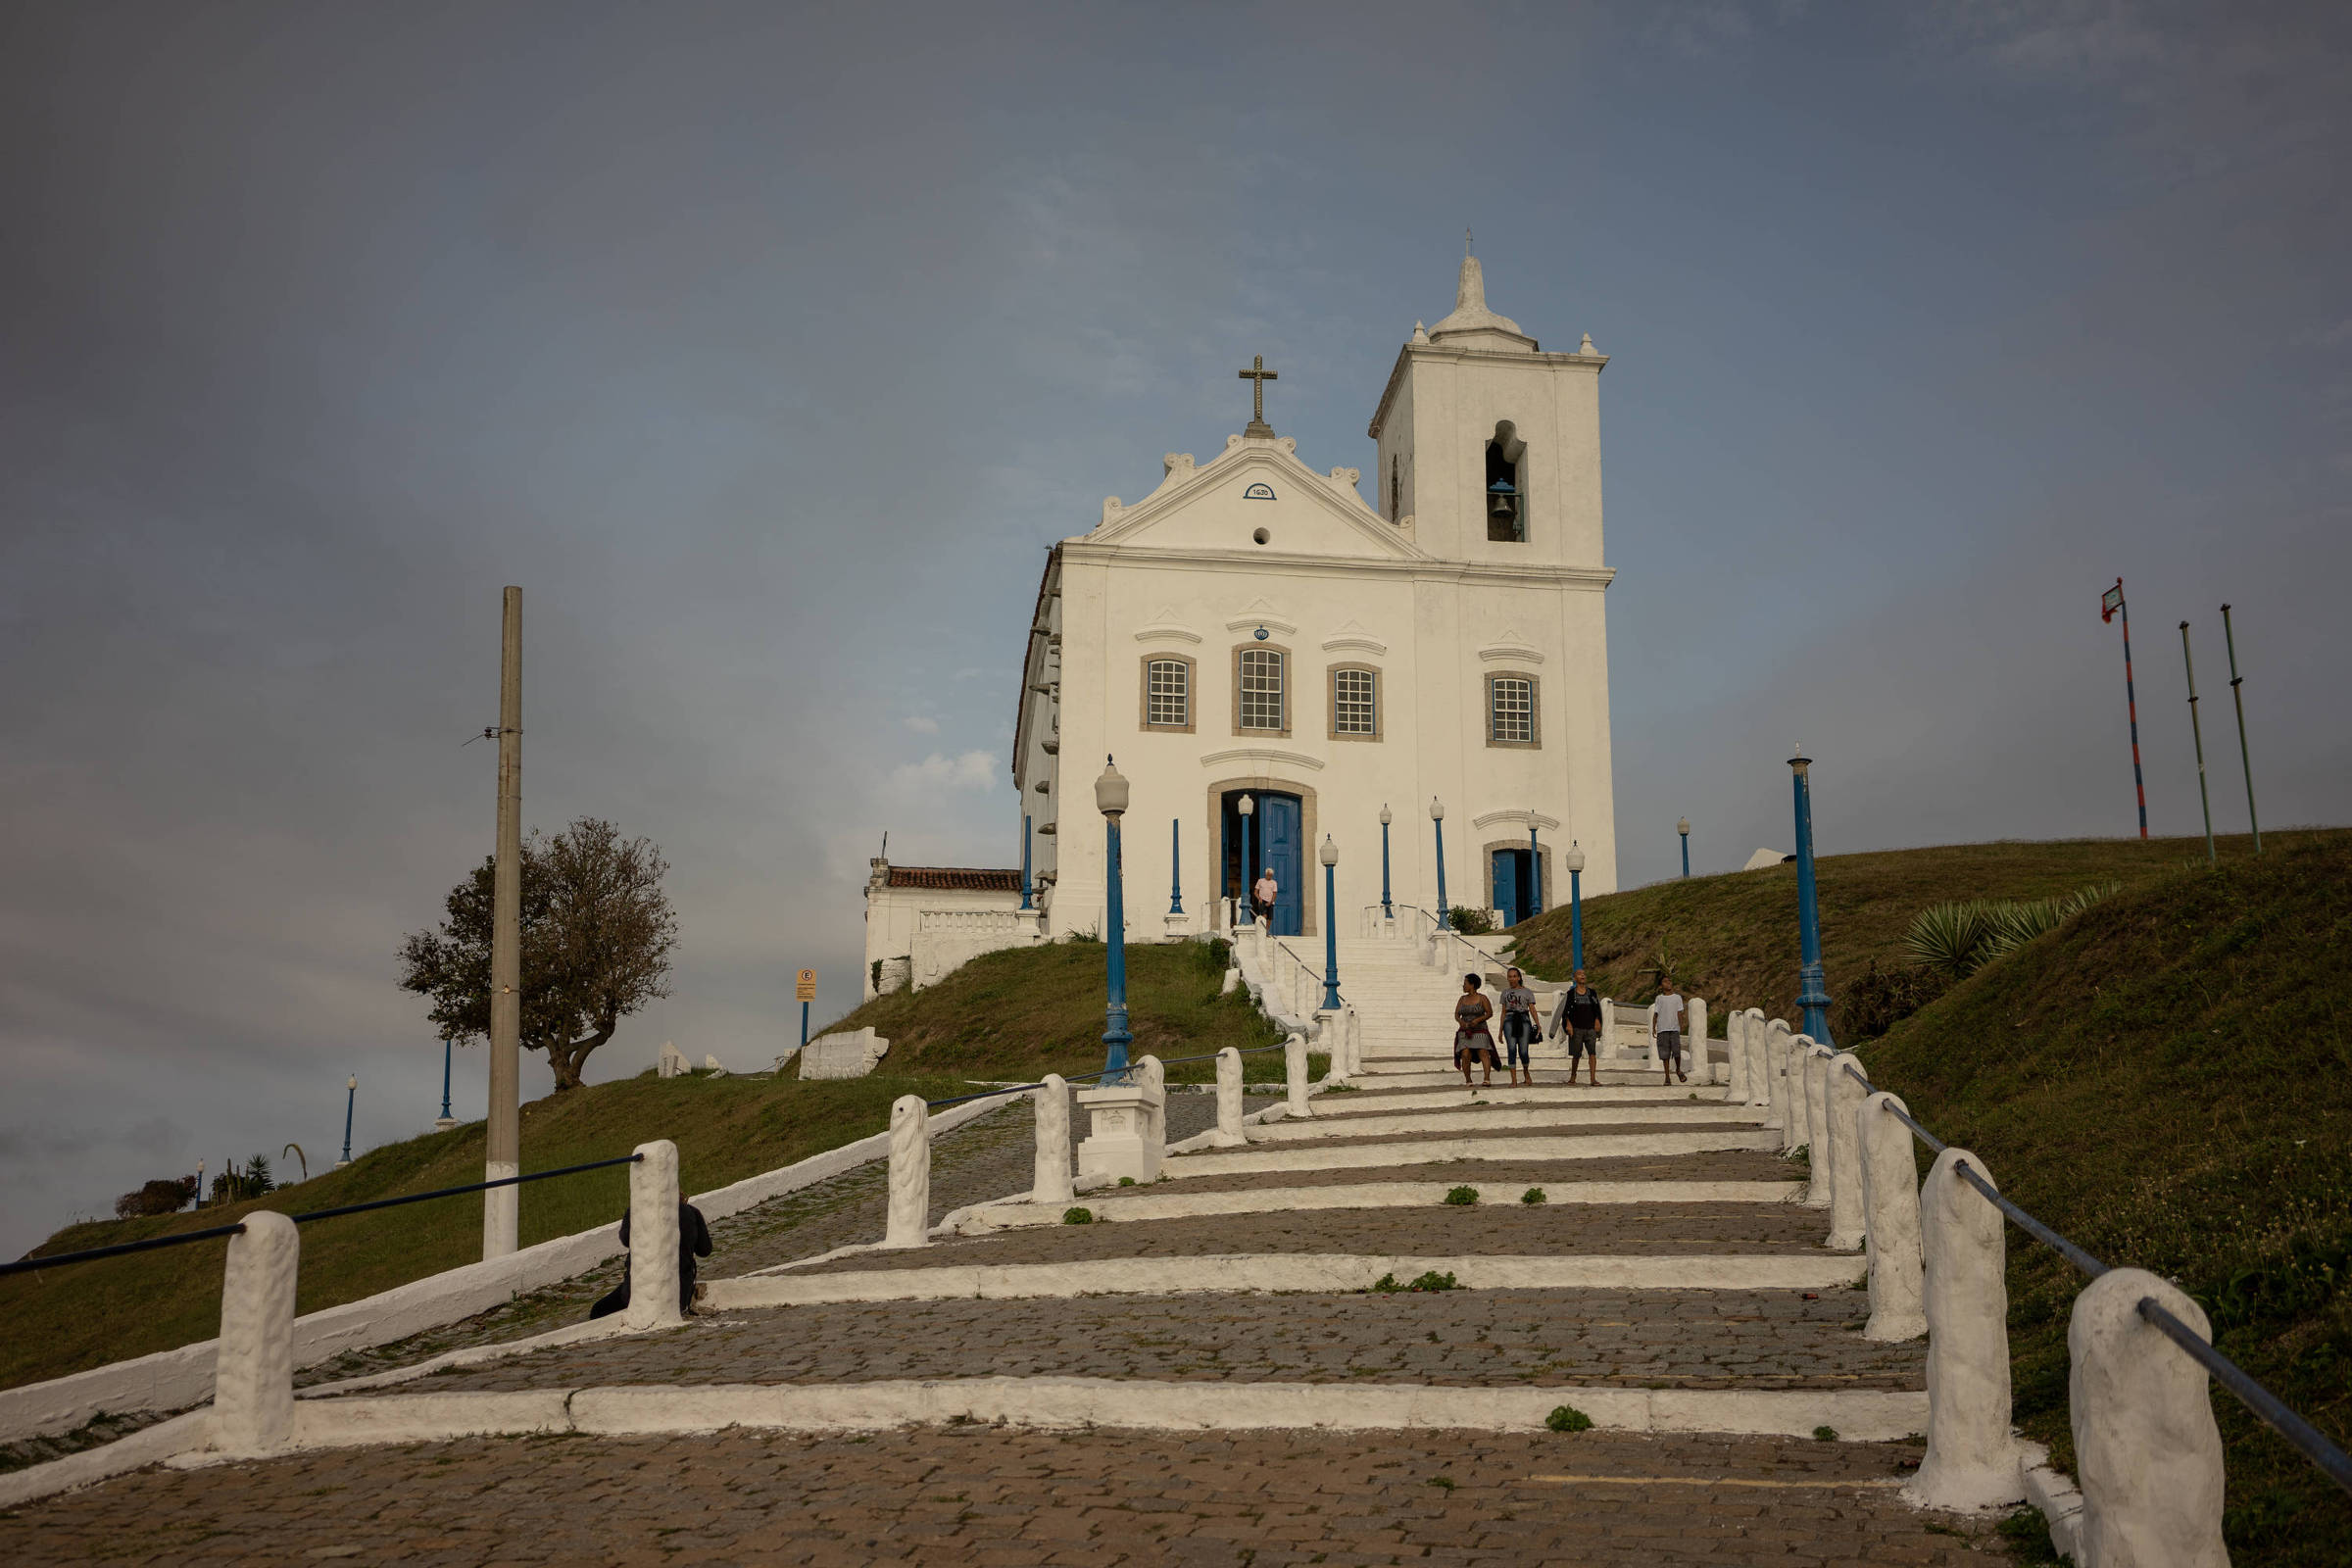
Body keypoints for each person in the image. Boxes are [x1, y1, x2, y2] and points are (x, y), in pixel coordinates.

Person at [589, 1197, 714, 1320]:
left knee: (598, 1310)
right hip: (680, 1292)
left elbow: (626, 1239)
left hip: (639, 1291)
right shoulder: (692, 1212)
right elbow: (704, 1250)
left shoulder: (637, 1211)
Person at [1549, 969, 1603, 1087]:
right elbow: (1563, 1011)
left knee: (1592, 1053)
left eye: (1584, 974)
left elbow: (1597, 1009)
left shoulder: (1592, 993)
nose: (1583, 976)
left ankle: (1593, 1079)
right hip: (1576, 1028)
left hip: (1590, 1028)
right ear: (1575, 978)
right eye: (1579, 974)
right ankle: (1573, 1076)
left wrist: (1598, 1021)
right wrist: (1567, 1024)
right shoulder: (1570, 994)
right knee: (1576, 1054)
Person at [1498, 966, 1540, 1087]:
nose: (1512, 979)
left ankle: (1526, 1072)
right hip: (1509, 1020)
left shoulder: (1527, 992)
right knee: (1511, 1048)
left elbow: (1532, 1008)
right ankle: (1514, 1079)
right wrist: (1500, 1030)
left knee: (1523, 1050)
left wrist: (1537, 1023)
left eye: (1514, 976)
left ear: (1519, 977)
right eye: (1510, 976)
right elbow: (1503, 1011)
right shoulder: (1505, 993)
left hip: (1523, 1018)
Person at [1453, 972, 1497, 1087]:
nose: (1463, 986)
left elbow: (1489, 1013)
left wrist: (1478, 1020)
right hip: (1465, 1031)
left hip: (1480, 1029)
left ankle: (1487, 1078)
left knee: (1483, 1051)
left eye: (1465, 983)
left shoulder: (1482, 998)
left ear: (1472, 985)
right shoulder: (1462, 999)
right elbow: (1457, 1014)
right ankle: (1468, 1079)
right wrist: (1461, 1022)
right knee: (1465, 1054)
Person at [1650, 976, 1688, 1087]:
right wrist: (1653, 1027)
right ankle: (1667, 1077)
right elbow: (1656, 1013)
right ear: (1661, 985)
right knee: (1665, 1054)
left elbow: (1679, 1013)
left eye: (1669, 981)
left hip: (1674, 1028)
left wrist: (1681, 1026)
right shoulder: (1659, 998)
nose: (1668, 983)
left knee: (1677, 1051)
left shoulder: (1677, 998)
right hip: (1662, 1029)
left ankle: (1678, 1069)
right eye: (1665, 982)